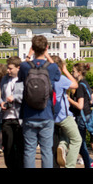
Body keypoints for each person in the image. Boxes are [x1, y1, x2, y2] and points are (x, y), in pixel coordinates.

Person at [18, 35, 60, 168]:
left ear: (32, 48)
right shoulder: (51, 67)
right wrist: (48, 56)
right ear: (47, 48)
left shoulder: (25, 66)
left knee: (29, 150)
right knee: (46, 151)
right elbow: (58, 74)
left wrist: (28, 56)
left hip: (29, 113)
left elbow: (20, 76)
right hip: (46, 113)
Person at [49, 55, 81, 168]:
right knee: (77, 139)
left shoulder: (47, 78)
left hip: (50, 116)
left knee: (65, 135)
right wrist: (65, 71)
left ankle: (62, 146)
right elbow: (75, 85)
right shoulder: (60, 78)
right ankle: (70, 165)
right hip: (63, 115)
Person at [68, 63, 93, 168]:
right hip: (87, 114)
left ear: (79, 73)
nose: (72, 73)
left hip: (81, 116)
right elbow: (92, 99)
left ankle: (89, 162)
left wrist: (69, 99)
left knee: (79, 142)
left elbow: (80, 106)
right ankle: (89, 162)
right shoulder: (85, 83)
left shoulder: (80, 85)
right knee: (81, 141)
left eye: (73, 71)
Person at [0, 56, 24, 168]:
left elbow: (27, 96)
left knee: (20, 147)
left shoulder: (24, 79)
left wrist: (15, 97)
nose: (8, 71)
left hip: (19, 118)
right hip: (6, 117)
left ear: (18, 68)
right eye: (7, 68)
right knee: (8, 147)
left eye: (10, 68)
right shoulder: (5, 79)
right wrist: (1, 103)